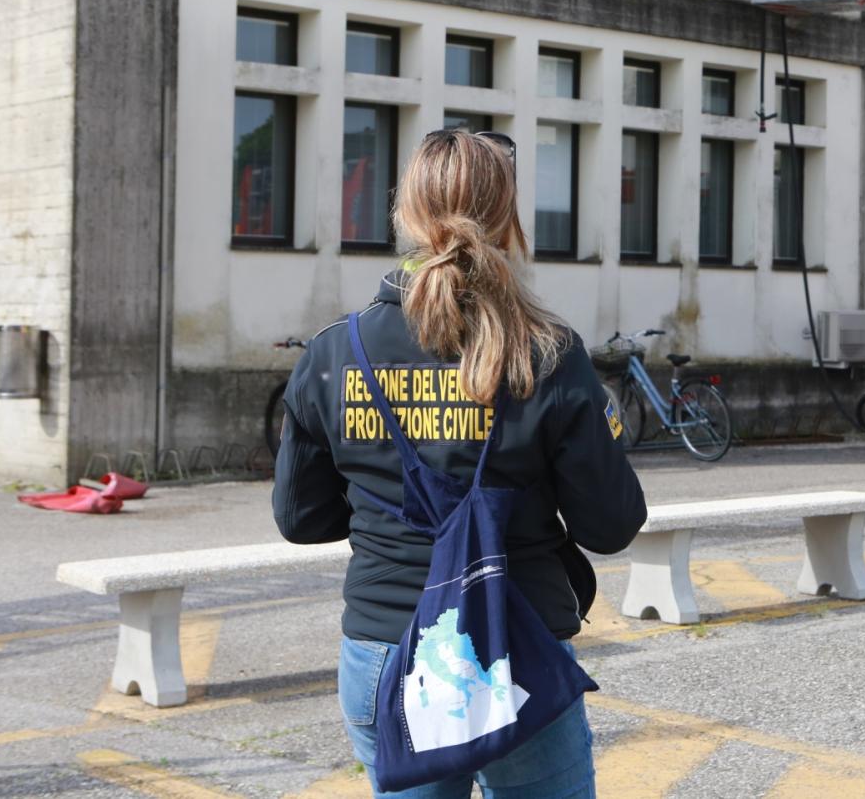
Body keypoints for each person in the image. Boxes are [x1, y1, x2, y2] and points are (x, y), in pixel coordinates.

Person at [274, 128, 647, 797]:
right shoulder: (548, 353)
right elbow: (611, 525)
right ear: (508, 219)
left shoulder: (333, 354)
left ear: (404, 212)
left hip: (384, 645)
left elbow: (302, 520)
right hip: (516, 641)